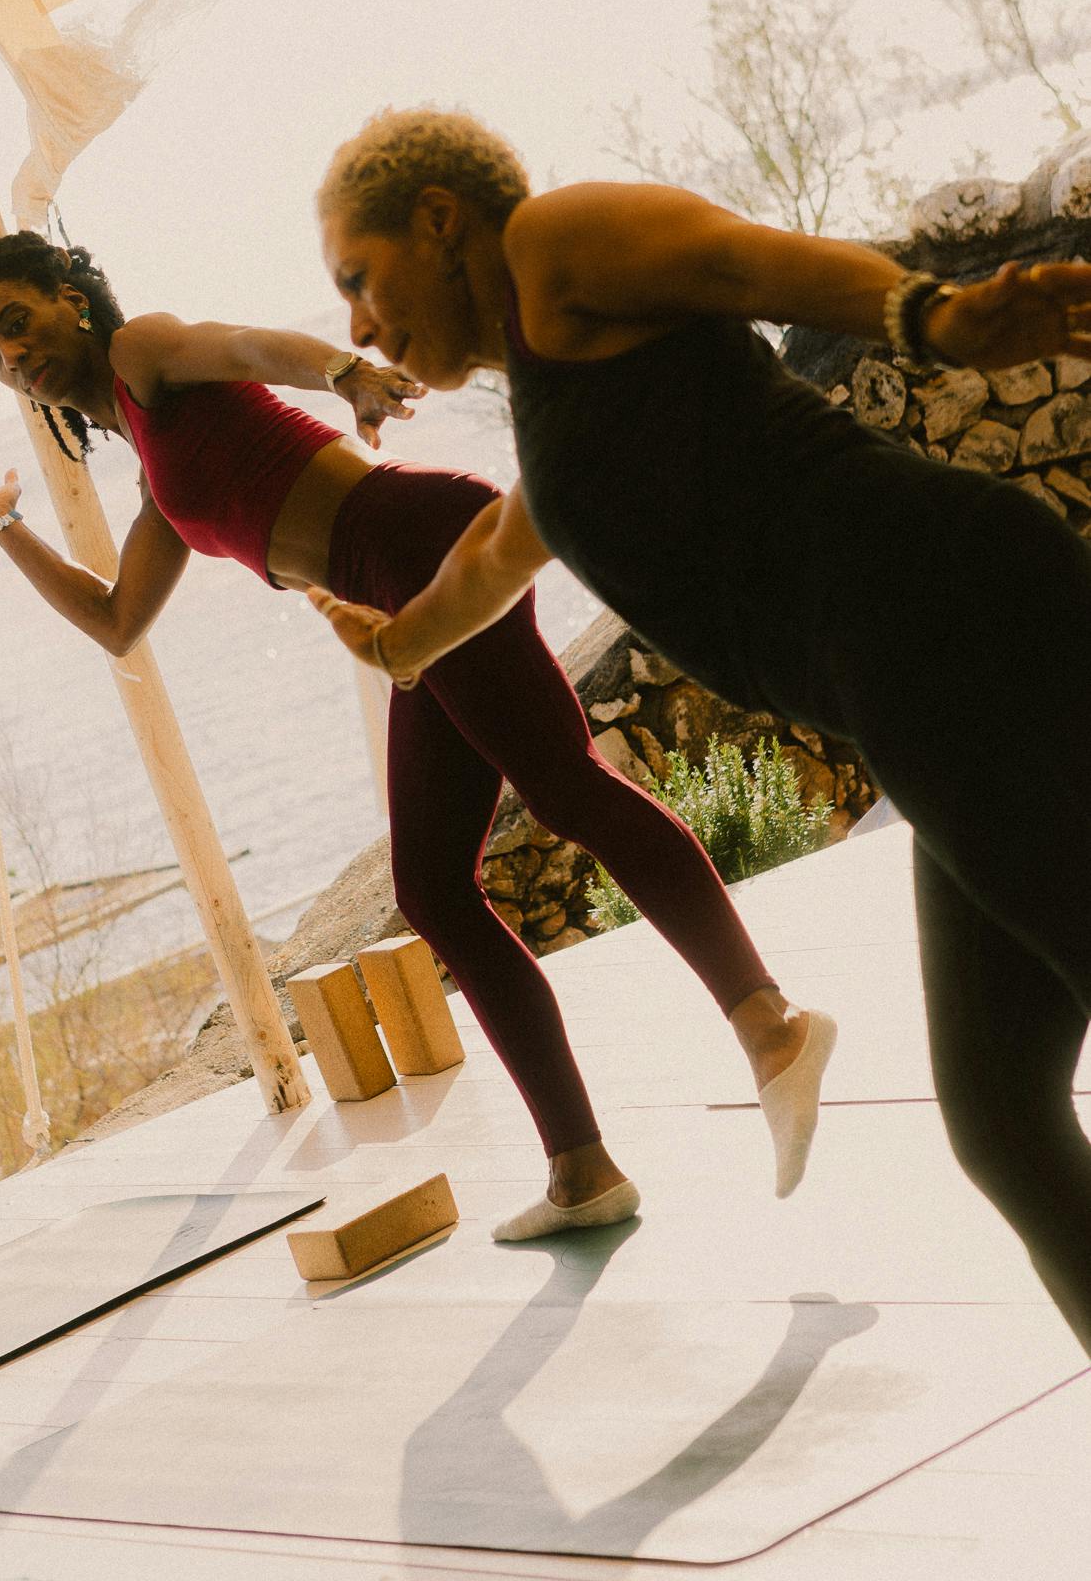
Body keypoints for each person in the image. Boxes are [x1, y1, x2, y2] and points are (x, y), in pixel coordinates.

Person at [310, 105, 1091, 1346]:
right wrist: (399, 644)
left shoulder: (557, 243)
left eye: (358, 275)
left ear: (440, 219)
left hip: (951, 620)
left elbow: (741, 256)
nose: (355, 322)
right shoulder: (560, 395)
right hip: (908, 676)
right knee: (1001, 1116)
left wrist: (933, 317)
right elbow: (500, 549)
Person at [0, 229, 835, 1242]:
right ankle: (582, 1165)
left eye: (15, 322)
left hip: (421, 542)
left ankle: (771, 1027)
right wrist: (3, 525)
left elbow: (244, 346)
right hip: (405, 594)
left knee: (565, 787)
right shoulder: (156, 472)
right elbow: (114, 619)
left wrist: (344, 369)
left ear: (67, 295)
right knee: (434, 886)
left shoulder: (145, 351)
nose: (11, 355)